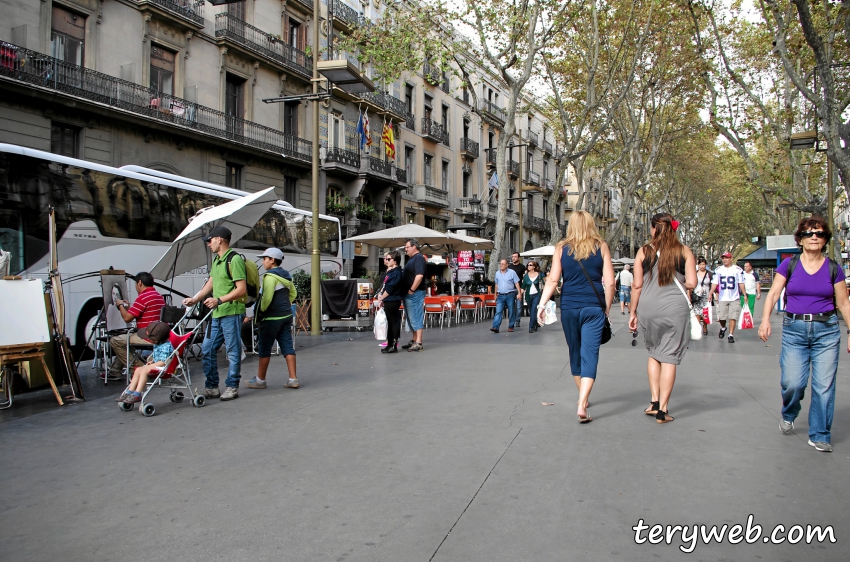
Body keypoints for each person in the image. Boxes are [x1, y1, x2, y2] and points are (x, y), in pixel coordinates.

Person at [758, 216, 850, 453]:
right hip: (794, 331)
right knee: (793, 383)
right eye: (809, 234)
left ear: (825, 239)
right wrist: (765, 320)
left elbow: (844, 304)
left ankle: (820, 434)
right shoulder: (789, 265)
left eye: (819, 234)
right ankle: (789, 412)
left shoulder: (834, 268)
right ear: (800, 239)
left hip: (827, 332)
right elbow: (773, 294)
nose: (814, 238)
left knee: (824, 386)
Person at [537, 210, 615, 423]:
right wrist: (606, 308)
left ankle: (583, 397)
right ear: (591, 225)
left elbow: (553, 280)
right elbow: (610, 283)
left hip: (570, 308)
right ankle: (582, 402)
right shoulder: (602, 247)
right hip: (593, 307)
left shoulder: (561, 248)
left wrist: (541, 305)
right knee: (590, 354)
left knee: (575, 352)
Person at [628, 213, 697, 425]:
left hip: (648, 307)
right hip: (675, 308)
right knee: (670, 356)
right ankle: (663, 410)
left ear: (653, 229)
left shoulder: (643, 251)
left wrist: (633, 312)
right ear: (673, 229)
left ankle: (654, 402)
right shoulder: (683, 251)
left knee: (654, 352)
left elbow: (637, 286)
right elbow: (692, 283)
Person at [182, 226, 246, 401]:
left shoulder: (234, 260)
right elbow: (211, 282)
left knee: (233, 351)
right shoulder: (217, 261)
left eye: (210, 240)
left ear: (220, 239)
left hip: (231, 311)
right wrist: (195, 299)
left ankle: (232, 386)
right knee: (207, 348)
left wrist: (219, 300)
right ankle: (212, 387)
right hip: (217, 313)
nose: (208, 244)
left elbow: (241, 290)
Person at [245, 248, 298, 390]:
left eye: (265, 259)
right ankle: (293, 379)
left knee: (264, 347)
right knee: (287, 345)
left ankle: (260, 380)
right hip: (286, 315)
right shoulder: (286, 276)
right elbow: (293, 293)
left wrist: (261, 310)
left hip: (271, 317)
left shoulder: (270, 277)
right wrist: (286, 304)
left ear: (272, 260)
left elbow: (266, 298)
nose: (263, 262)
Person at [108, 272, 166, 380]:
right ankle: (115, 371)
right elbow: (140, 313)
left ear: (139, 283)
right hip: (159, 335)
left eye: (135, 284)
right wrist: (129, 307)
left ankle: (140, 368)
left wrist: (120, 305)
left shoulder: (143, 297)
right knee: (125, 341)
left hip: (147, 336)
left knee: (115, 341)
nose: (135, 287)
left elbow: (127, 318)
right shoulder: (158, 296)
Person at [115, 321, 173, 404]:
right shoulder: (158, 344)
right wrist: (152, 361)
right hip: (157, 364)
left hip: (164, 367)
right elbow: (159, 357)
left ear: (157, 339)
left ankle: (137, 394)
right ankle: (130, 391)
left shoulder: (166, 346)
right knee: (138, 369)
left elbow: (163, 361)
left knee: (144, 370)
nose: (149, 340)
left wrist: (151, 365)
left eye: (151, 339)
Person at [710, 251, 745, 343]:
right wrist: (710, 293)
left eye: (726, 258)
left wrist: (744, 294)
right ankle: (723, 327)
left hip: (734, 297)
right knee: (722, 317)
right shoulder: (718, 270)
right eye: (723, 258)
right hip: (722, 297)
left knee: (733, 317)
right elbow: (715, 282)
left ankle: (731, 335)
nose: (724, 260)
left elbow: (741, 283)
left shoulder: (738, 270)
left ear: (731, 258)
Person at [375, 250, 404, 353]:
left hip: (393, 299)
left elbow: (390, 288)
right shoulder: (391, 272)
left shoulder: (396, 273)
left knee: (392, 322)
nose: (386, 261)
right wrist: (381, 296)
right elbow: (384, 285)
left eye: (388, 259)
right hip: (389, 299)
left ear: (395, 261)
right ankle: (390, 344)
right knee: (391, 322)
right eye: (385, 259)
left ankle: (392, 345)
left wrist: (382, 297)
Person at [400, 238, 426, 352]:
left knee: (415, 315)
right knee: (411, 317)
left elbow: (419, 276)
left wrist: (412, 289)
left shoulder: (419, 258)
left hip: (415, 292)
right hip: (410, 293)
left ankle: (418, 342)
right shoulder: (412, 259)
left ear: (414, 246)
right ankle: (414, 340)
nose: (406, 250)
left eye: (407, 247)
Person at [490, 259, 521, 333]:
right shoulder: (497, 273)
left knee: (511, 311)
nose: (501, 265)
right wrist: (495, 294)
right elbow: (496, 284)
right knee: (498, 311)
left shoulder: (512, 272)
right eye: (500, 263)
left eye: (503, 264)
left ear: (507, 265)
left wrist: (519, 293)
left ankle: (511, 326)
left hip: (510, 294)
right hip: (500, 295)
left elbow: (516, 283)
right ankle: (495, 327)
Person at [521, 261, 544, 333]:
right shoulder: (526, 276)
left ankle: (531, 327)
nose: (528, 266)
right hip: (528, 296)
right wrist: (519, 294)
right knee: (531, 312)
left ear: (534, 266)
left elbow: (543, 285)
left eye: (530, 265)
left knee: (534, 310)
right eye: (528, 265)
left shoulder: (539, 275)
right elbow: (523, 287)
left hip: (537, 295)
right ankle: (535, 324)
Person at [693, 256, 713, 336]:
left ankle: (705, 326)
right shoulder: (695, 273)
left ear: (706, 265)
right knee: (697, 313)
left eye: (703, 264)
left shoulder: (709, 274)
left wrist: (713, 294)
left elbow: (713, 284)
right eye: (700, 264)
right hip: (697, 296)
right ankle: (698, 328)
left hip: (706, 296)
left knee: (705, 314)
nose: (702, 266)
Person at [508, 252, 527, 328]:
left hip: (519, 289)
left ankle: (517, 320)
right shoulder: (509, 267)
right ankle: (512, 320)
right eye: (512, 257)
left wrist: (522, 288)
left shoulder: (522, 267)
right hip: (510, 289)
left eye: (515, 257)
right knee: (511, 306)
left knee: (519, 307)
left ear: (519, 258)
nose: (513, 258)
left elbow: (524, 278)